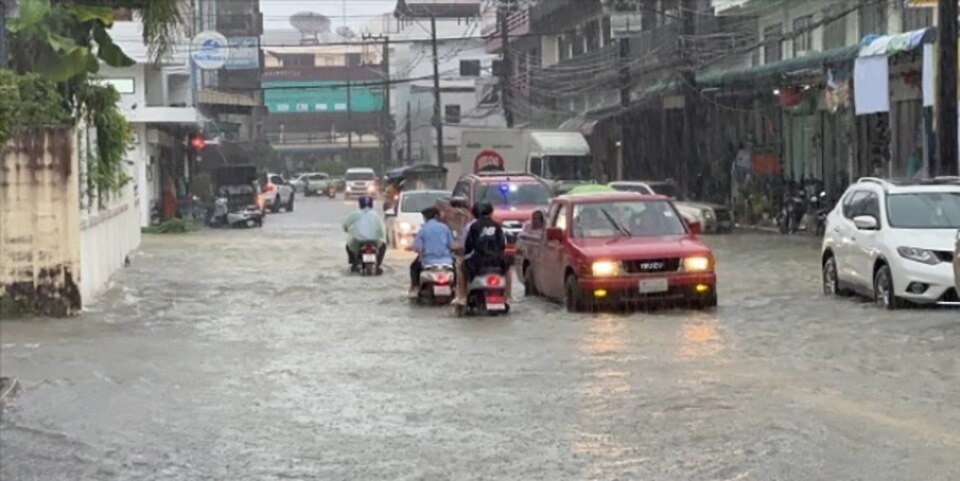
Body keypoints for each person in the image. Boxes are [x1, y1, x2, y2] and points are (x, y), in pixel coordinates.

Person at [409, 207, 455, 297]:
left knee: (413, 268)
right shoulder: (445, 228)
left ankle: (415, 288)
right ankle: (456, 289)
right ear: (436, 216)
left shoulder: (423, 230)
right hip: (447, 262)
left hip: (428, 262)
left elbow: (417, 248)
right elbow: (451, 245)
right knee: (458, 269)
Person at [462, 202, 508, 288]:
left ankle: (463, 294)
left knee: (463, 267)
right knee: (508, 268)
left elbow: (469, 245)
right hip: (497, 261)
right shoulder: (497, 225)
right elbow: (502, 244)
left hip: (478, 261)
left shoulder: (473, 226)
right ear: (491, 212)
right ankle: (508, 294)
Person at [342, 195, 386, 273]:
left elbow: (345, 226)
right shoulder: (376, 215)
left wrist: (348, 230)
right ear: (371, 204)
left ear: (360, 204)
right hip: (375, 240)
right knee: (383, 246)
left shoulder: (354, 214)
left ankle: (354, 264)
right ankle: (378, 266)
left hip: (358, 240)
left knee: (348, 247)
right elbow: (382, 229)